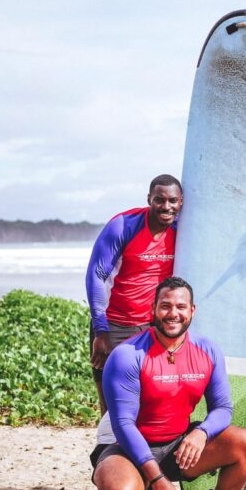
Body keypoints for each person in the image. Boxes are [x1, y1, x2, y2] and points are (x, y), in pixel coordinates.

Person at [90, 276, 246, 490]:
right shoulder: (128, 354)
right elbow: (123, 424)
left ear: (192, 310)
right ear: (153, 309)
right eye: (165, 306)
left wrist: (201, 433)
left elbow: (223, 408)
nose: (173, 313)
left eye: (181, 307)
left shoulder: (207, 350)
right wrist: (157, 479)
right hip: (126, 446)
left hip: (177, 444)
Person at [86, 174, 182, 416]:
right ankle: (107, 453)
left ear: (181, 203)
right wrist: (101, 331)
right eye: (159, 200)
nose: (166, 207)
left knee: (150, 404)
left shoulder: (184, 231)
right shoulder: (124, 225)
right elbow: (96, 275)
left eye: (173, 201)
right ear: (149, 199)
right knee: (112, 408)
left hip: (154, 328)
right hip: (114, 325)